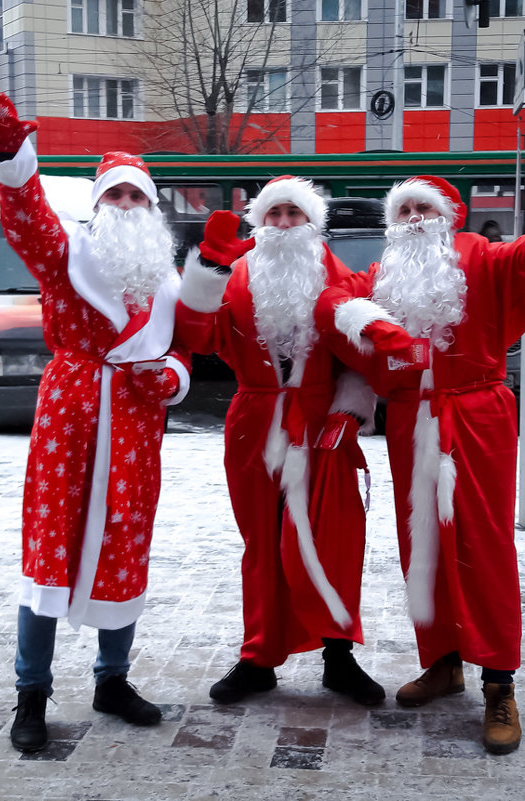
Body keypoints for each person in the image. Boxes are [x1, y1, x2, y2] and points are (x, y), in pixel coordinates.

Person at [315, 170, 525, 754]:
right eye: (404, 211)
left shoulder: (485, 258)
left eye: (424, 208)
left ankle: (500, 684)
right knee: (422, 544)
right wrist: (370, 323)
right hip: (412, 422)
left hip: (476, 416)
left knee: (482, 546)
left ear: (452, 215)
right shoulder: (383, 273)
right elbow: (335, 302)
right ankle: (443, 663)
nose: (414, 219)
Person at [0, 92, 192, 753]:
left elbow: (182, 350)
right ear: (98, 206)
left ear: (152, 209)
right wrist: (10, 154)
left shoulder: (168, 282)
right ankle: (30, 692)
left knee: (124, 543)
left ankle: (111, 679)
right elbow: (25, 217)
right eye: (115, 197)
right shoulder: (66, 254)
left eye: (136, 199)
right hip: (72, 411)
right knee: (50, 549)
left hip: (133, 423)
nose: (126, 207)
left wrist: (171, 377)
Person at [174, 177, 415, 708]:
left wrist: (350, 413)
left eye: (294, 214)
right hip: (254, 423)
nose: (283, 224)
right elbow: (195, 334)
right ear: (260, 223)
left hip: (321, 425)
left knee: (334, 541)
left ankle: (338, 655)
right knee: (261, 543)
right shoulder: (233, 278)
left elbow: (362, 357)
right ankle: (258, 657)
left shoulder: (341, 277)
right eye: (274, 214)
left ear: (312, 223)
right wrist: (208, 267)